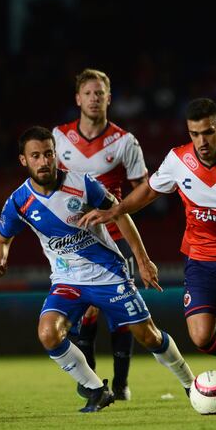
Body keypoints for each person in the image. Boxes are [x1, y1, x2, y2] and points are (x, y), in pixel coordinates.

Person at [79, 98, 216, 413]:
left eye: (207, 132)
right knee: (201, 338)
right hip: (202, 258)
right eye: (195, 134)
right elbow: (150, 190)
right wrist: (116, 210)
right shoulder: (178, 160)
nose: (202, 141)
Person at [0, 126, 194, 413]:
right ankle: (96, 390)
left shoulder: (83, 184)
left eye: (48, 154)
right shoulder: (19, 201)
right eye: (35, 156)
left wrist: (142, 260)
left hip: (108, 275)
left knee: (149, 336)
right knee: (48, 333)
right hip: (67, 280)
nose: (43, 161)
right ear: (24, 161)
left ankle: (190, 383)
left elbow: (119, 215)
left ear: (56, 155)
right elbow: (2, 239)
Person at [53, 68, 148, 401]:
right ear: (78, 98)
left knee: (119, 310)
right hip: (76, 239)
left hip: (115, 236)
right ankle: (93, 383)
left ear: (110, 98)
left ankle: (120, 384)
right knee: (86, 312)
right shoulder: (58, 138)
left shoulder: (125, 142)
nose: (94, 98)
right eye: (88, 93)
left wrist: (119, 210)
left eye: (100, 93)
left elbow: (143, 190)